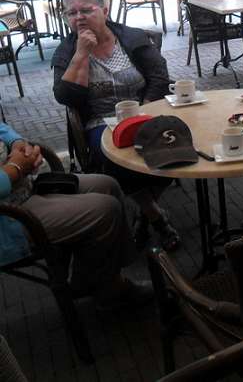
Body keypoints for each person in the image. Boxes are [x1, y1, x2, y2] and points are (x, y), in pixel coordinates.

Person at [51, 0, 180, 251]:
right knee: (115, 157)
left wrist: (146, 110)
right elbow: (66, 97)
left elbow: (159, 76)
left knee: (175, 145)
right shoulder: (66, 51)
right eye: (71, 13)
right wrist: (81, 54)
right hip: (100, 121)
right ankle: (157, 218)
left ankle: (144, 212)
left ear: (105, 11)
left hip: (145, 112)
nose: (79, 17)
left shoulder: (130, 38)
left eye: (87, 10)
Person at [0, 122, 151, 309]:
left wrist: (17, 143)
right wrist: (15, 168)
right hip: (10, 217)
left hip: (24, 189)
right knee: (106, 209)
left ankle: (96, 279)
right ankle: (108, 289)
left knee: (108, 185)